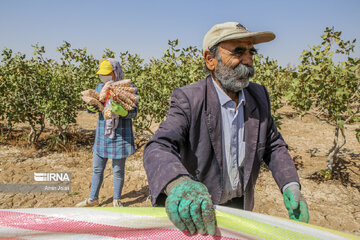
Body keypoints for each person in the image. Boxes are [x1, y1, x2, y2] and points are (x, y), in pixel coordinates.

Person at [143, 22, 309, 236]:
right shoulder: (189, 99)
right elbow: (159, 146)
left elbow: (273, 144)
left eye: (251, 52)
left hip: (240, 207)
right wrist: (178, 182)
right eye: (238, 52)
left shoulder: (258, 96)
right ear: (210, 60)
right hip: (200, 210)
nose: (248, 61)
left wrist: (290, 184)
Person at [76, 58, 137, 207]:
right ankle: (93, 199)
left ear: (116, 72)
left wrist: (123, 112)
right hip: (103, 133)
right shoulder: (99, 87)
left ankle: (117, 199)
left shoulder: (128, 87)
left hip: (121, 134)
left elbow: (134, 112)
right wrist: (91, 108)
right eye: (102, 74)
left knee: (118, 170)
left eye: (107, 74)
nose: (104, 77)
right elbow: (95, 104)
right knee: (97, 168)